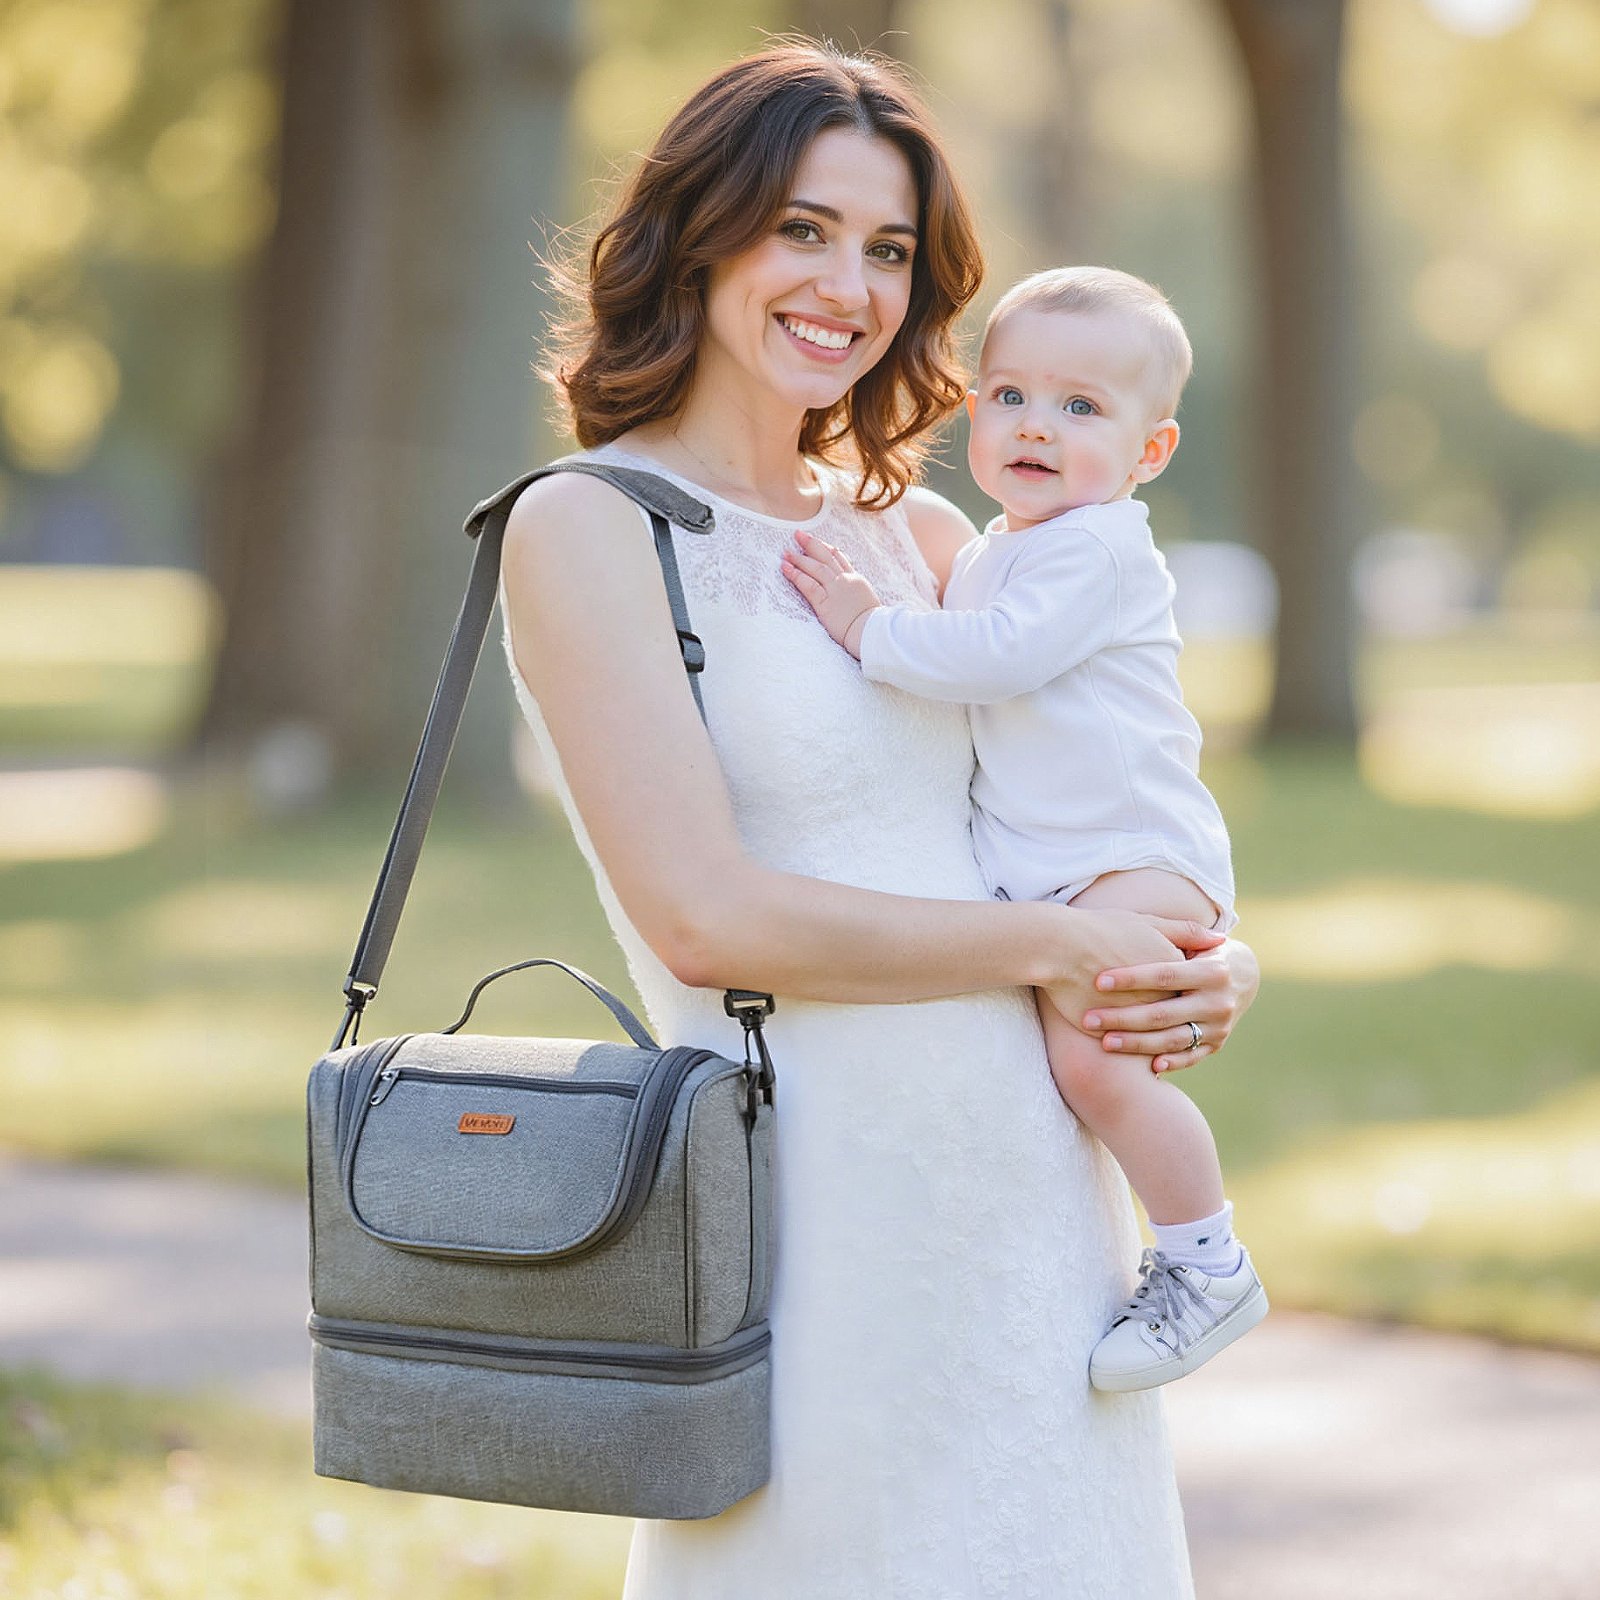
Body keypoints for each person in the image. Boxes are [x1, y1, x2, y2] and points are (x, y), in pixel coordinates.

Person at [496, 41, 1261, 1600]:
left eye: (890, 248)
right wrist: (1066, 941)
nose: (848, 283)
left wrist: (1193, 954)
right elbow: (704, 916)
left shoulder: (921, 531)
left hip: (1036, 1204)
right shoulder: (583, 528)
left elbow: (1078, 793)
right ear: (701, 232)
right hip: (807, 1209)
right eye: (802, 228)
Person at [783, 266, 1268, 1394]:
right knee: (1084, 1066)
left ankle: (1208, 1260)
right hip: (1082, 873)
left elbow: (994, 658)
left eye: (1081, 408)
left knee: (1097, 1074)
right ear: (971, 405)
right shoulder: (1009, 543)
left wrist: (866, 623)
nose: (1036, 426)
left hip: (1131, 862)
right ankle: (1196, 1255)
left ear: (1150, 453)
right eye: (1010, 395)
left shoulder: (1096, 549)